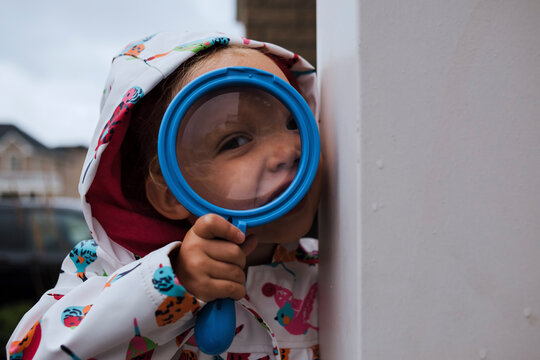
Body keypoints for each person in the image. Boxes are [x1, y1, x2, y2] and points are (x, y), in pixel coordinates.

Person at [7, 31, 322, 360]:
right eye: (236, 142)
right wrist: (173, 282)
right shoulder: (106, 271)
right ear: (170, 191)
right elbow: (29, 353)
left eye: (293, 123)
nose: (290, 151)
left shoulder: (329, 266)